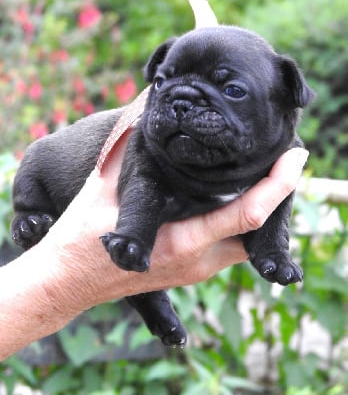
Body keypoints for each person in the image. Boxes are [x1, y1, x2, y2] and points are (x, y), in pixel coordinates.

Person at [0, 128, 308, 360]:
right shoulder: (162, 142)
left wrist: (271, 246)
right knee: (38, 159)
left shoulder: (271, 143)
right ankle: (31, 214)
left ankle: (149, 298)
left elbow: (272, 194)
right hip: (58, 182)